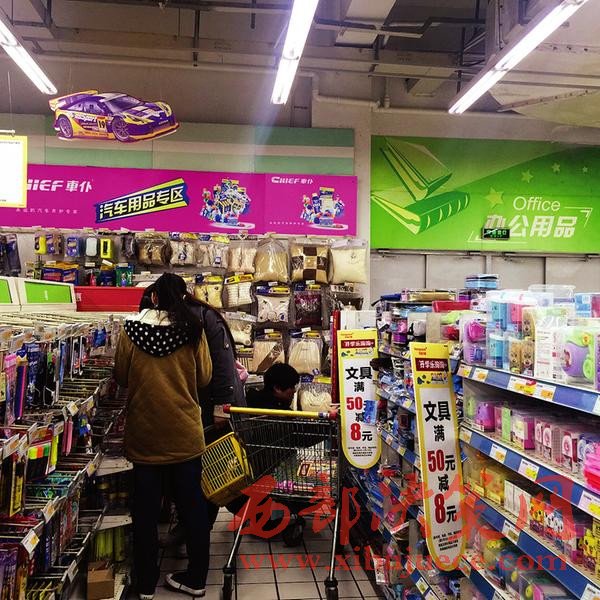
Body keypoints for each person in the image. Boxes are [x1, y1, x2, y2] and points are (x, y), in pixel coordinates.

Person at [114, 273, 212, 599]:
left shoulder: (130, 330)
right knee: (193, 507)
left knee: (145, 511)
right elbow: (204, 378)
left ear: (154, 297)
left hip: (145, 434)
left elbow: (121, 376)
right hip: (184, 433)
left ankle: (145, 584)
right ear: (183, 298)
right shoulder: (193, 331)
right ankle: (196, 579)